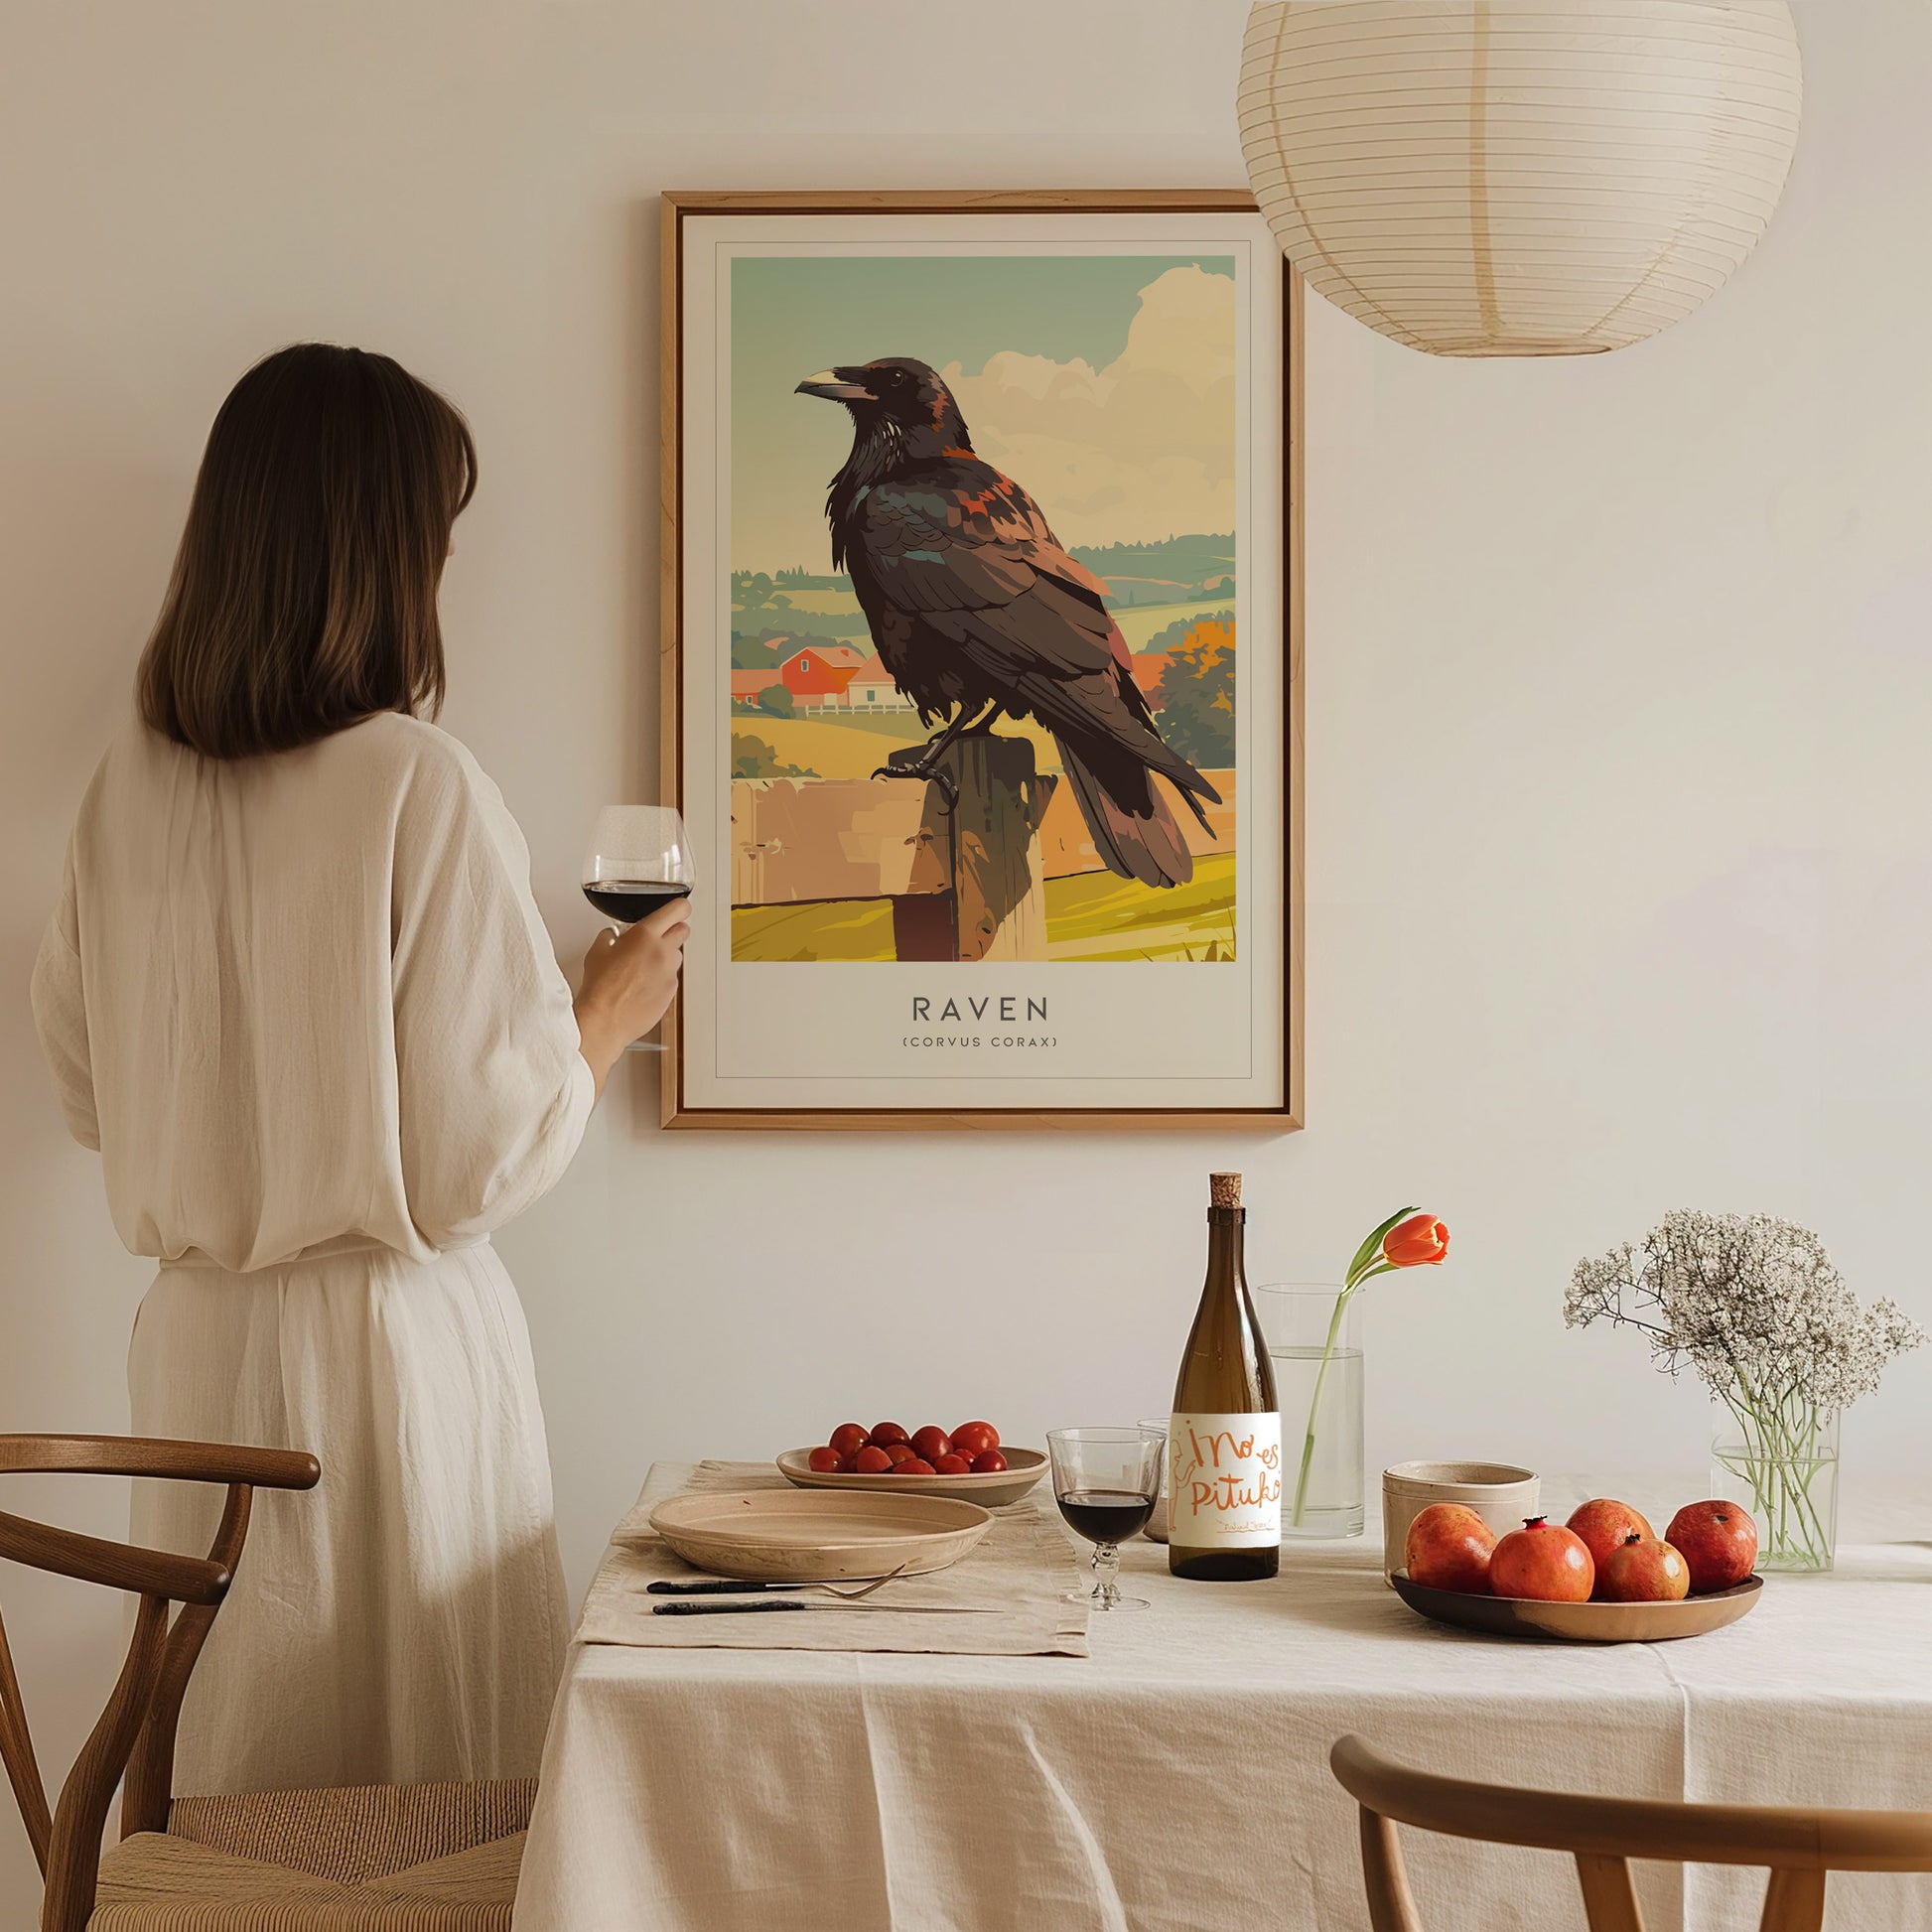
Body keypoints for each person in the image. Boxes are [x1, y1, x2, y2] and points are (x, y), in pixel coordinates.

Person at [29, 343, 684, 1793]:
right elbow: (470, 1165)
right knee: (419, 1798)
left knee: (239, 1777)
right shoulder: (414, 779)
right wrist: (603, 1011)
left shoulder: (122, 791)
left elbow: (87, 1093)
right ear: (385, 552)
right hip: (387, 1362)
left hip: (197, 1351)